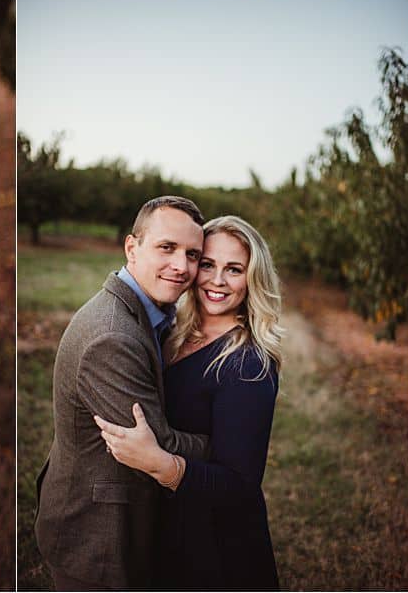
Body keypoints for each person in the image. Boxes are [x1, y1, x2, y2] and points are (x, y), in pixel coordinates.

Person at [95, 215, 283, 591]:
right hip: (172, 528)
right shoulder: (176, 331)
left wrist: (162, 465)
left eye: (234, 269)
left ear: (253, 278)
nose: (216, 280)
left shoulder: (246, 365)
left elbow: (241, 485)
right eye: (208, 264)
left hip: (216, 550)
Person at [34, 196, 210, 591]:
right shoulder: (113, 336)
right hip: (98, 537)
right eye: (167, 248)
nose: (182, 266)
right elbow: (158, 444)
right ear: (132, 248)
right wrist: (229, 447)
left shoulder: (151, 313)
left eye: (193, 254)